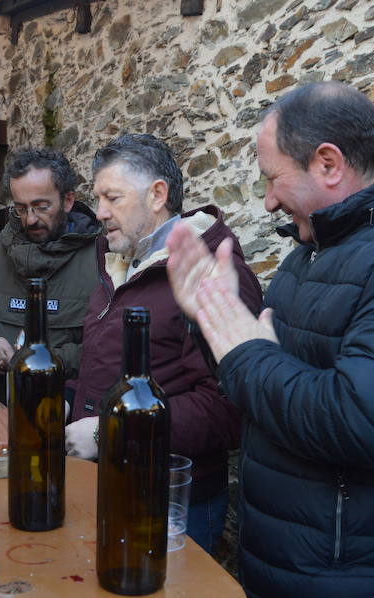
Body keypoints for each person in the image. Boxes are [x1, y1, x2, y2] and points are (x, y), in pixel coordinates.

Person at [166, 82, 374, 597]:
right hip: (299, 568)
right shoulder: (314, 251)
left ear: (328, 163)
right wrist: (215, 322)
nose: (268, 200)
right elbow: (272, 383)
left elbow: (365, 421)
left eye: (272, 179)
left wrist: (241, 348)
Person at [64, 134, 263, 554]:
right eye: (97, 198)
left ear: (157, 195)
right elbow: (109, 372)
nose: (99, 213)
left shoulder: (211, 274)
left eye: (112, 198)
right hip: (110, 484)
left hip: (171, 503)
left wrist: (108, 432)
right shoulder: (118, 263)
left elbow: (227, 408)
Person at [0, 148, 101, 401]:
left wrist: (44, 361)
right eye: (21, 208)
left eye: (41, 207)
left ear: (68, 200)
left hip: (66, 414)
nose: (30, 220)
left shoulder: (102, 261)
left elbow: (109, 349)